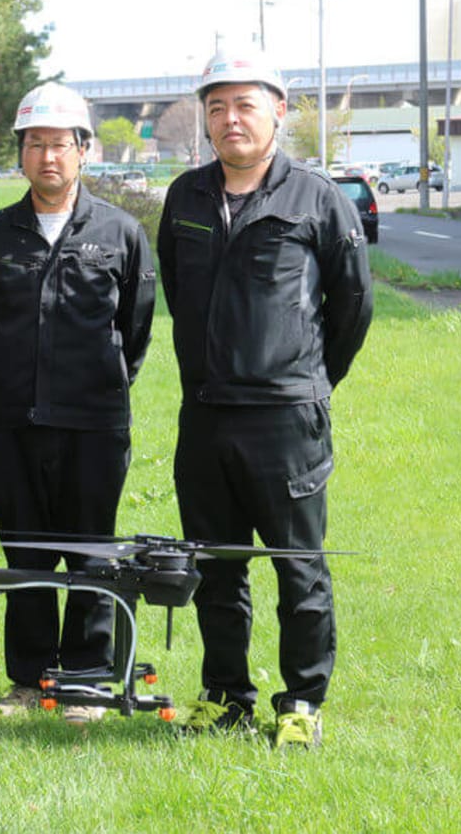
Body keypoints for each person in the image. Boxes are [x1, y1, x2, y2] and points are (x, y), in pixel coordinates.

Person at [156, 48, 373, 749]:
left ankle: (302, 702)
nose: (229, 119)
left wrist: (307, 379)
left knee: (298, 567)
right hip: (207, 416)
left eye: (245, 104)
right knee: (216, 565)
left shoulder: (317, 198)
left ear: (278, 109)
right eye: (216, 106)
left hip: (286, 419)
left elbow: (353, 306)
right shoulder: (186, 198)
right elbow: (177, 290)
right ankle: (225, 694)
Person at [0, 82, 155, 724]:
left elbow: (136, 330)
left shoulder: (121, 233)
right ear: (21, 154)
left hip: (94, 426)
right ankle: (28, 679)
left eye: (61, 145)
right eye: (36, 145)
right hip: (13, 425)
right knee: (26, 556)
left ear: (84, 152)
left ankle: (87, 680)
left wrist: (96, 385)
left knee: (91, 552)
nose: (49, 157)